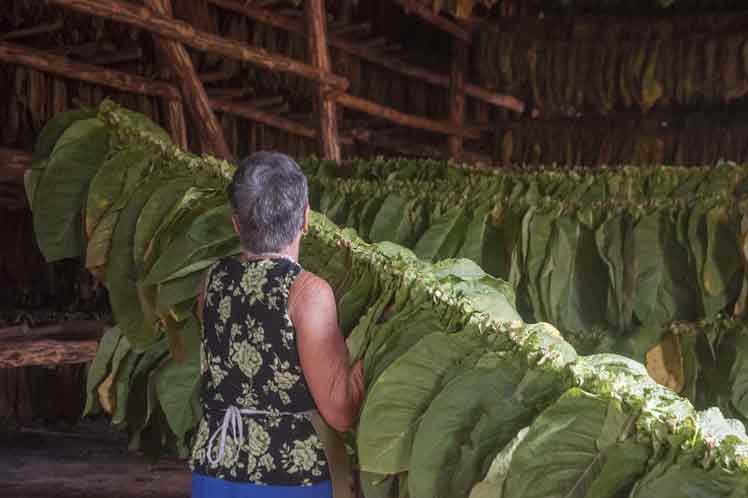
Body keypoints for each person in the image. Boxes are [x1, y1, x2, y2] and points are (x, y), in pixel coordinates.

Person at [190, 151, 365, 498]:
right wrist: (370, 347)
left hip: (216, 467)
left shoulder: (212, 281)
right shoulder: (307, 293)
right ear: (305, 218)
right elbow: (340, 411)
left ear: (237, 224)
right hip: (289, 478)